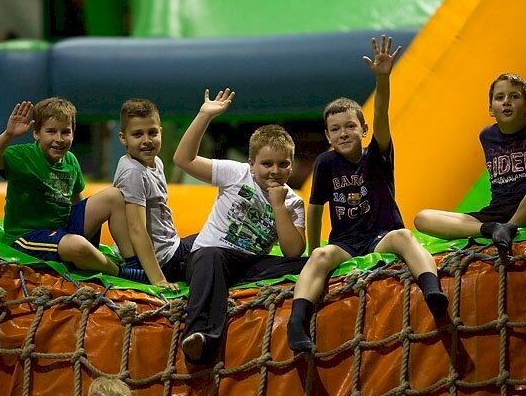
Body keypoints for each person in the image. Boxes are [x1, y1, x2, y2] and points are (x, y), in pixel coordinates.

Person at [287, 35, 449, 353]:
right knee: (319, 257)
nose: (343, 133)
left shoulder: (377, 155)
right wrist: (314, 249)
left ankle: (432, 291)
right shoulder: (325, 163)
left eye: (350, 126)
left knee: (404, 237)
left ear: (363, 130)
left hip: (381, 235)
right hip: (346, 243)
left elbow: (382, 115)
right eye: (335, 129)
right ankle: (296, 322)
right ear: (328, 135)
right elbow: (315, 207)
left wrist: (382, 79)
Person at [414, 51, 526, 252]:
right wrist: (490, 224)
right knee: (423, 218)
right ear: (491, 109)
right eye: (499, 97)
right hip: (496, 214)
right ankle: (491, 229)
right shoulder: (487, 136)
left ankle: (510, 227)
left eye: (514, 96)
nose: (506, 101)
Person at [174, 88, 308, 364]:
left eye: (283, 164)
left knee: (307, 264)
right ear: (251, 164)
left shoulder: (293, 201)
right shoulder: (236, 173)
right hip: (214, 255)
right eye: (266, 164)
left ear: (291, 166)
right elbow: (183, 160)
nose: (274, 171)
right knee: (209, 255)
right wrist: (204, 115)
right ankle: (200, 335)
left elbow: (293, 251)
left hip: (251, 264)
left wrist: (279, 206)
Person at [0, 97, 145, 281]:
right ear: (37, 133)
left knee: (114, 195)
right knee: (78, 245)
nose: (58, 139)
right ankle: (123, 273)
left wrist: (87, 224)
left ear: (73, 133)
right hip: (28, 236)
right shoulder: (23, 156)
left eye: (65, 132)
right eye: (51, 132)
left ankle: (133, 262)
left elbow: (77, 201)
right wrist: (9, 135)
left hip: (63, 230)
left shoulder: (70, 161)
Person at [113, 98, 196, 290]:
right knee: (221, 249)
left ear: (161, 132)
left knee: (217, 236)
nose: (146, 141)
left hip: (171, 246)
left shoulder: (156, 161)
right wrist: (158, 279)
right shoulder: (133, 172)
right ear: (123, 138)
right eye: (137, 134)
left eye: (152, 133)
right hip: (166, 260)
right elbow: (136, 229)